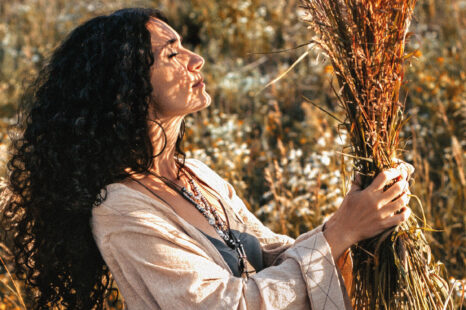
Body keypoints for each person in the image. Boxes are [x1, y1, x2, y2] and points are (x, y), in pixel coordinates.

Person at [1, 8, 413, 310]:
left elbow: (271, 256)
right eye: (171, 54)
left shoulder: (194, 175)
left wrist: (358, 216)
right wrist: (339, 234)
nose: (195, 60)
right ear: (125, 86)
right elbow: (223, 305)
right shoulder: (119, 209)